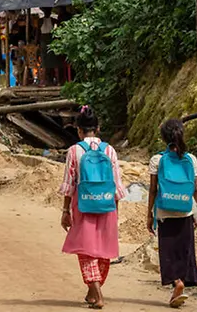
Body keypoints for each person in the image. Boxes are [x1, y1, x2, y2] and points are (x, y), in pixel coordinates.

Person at [59, 107, 125, 310]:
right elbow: (116, 184)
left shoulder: (74, 151)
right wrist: (116, 210)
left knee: (86, 252)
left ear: (79, 130)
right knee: (104, 251)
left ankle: (97, 294)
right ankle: (92, 291)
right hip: (106, 205)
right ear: (98, 128)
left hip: (84, 205)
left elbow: (69, 184)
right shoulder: (109, 150)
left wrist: (65, 211)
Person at [147, 118, 197, 308]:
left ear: (163, 138)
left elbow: (153, 190)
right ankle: (182, 282)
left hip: (165, 212)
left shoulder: (157, 159)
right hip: (186, 211)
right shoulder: (191, 159)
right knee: (184, 251)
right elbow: (196, 189)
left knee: (168, 252)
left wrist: (149, 216)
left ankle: (176, 283)